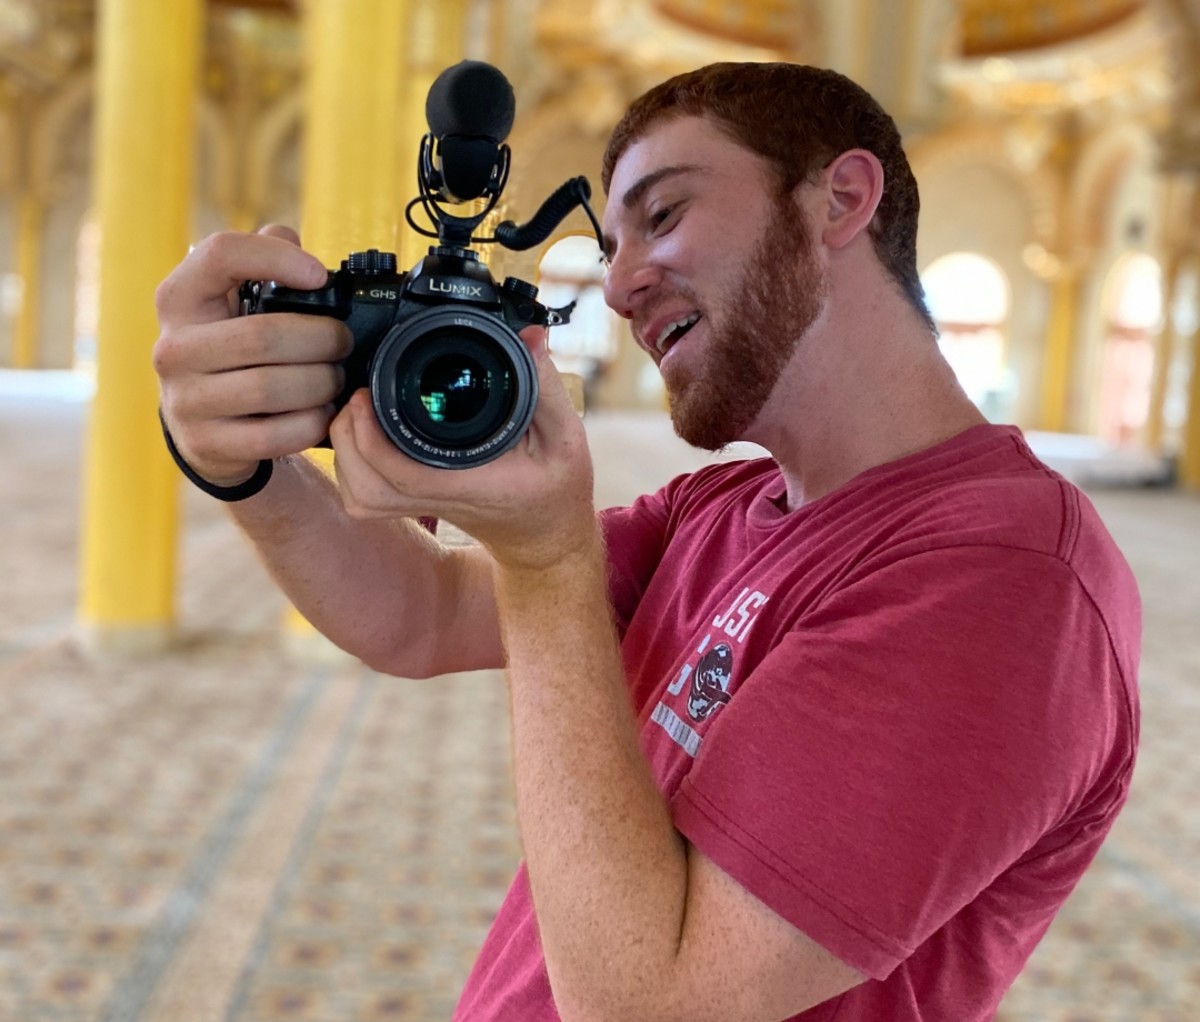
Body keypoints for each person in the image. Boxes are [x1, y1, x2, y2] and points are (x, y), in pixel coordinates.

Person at [153, 62, 1141, 1022]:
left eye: (663, 215)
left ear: (838, 198)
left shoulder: (1005, 577)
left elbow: (649, 1004)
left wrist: (547, 562)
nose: (619, 287)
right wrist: (244, 459)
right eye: (612, 242)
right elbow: (421, 616)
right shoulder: (720, 507)